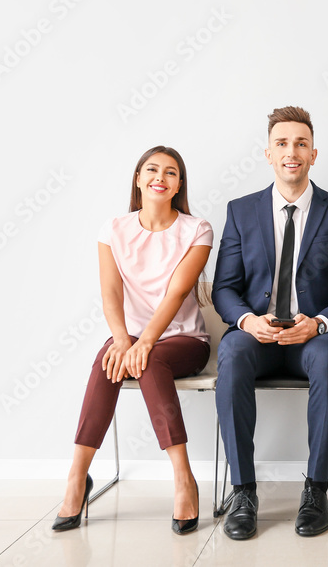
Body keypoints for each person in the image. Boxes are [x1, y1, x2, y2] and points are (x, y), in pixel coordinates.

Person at [213, 106, 328, 540]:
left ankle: (316, 490)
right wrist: (246, 320)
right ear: (268, 153)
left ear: (313, 154)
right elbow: (224, 287)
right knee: (233, 352)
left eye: (300, 143)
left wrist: (318, 323)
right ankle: (243, 492)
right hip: (258, 337)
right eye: (282, 143)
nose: (291, 152)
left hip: (312, 338)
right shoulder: (241, 211)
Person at [55, 146, 212, 535]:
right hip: (131, 338)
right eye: (152, 170)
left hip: (185, 340)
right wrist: (123, 340)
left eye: (171, 172)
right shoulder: (113, 230)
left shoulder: (197, 230)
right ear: (139, 179)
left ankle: (183, 478)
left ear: (178, 185)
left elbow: (176, 293)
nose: (161, 177)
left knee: (151, 361)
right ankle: (77, 477)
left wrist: (145, 343)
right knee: (104, 361)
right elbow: (111, 293)